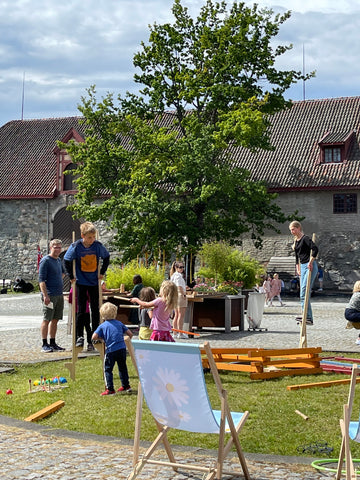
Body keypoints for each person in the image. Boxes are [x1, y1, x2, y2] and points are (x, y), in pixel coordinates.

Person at [64, 222, 110, 347]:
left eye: (93, 237)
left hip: (94, 281)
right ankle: (80, 336)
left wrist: (102, 272)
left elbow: (107, 257)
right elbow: (67, 260)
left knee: (95, 309)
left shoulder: (97, 246)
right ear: (83, 236)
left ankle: (96, 334)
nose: (92, 240)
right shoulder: (76, 246)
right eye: (89, 237)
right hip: (81, 282)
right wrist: (71, 276)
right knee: (81, 309)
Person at [92, 302, 133, 396]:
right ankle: (126, 386)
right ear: (115, 314)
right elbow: (130, 334)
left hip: (111, 350)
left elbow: (94, 337)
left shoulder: (102, 326)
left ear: (102, 315)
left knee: (108, 369)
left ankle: (110, 389)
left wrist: (102, 339)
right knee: (122, 367)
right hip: (122, 349)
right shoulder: (119, 323)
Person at [38, 239, 66, 353]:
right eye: (55, 247)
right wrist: (45, 295)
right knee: (47, 319)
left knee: (55, 319)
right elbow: (41, 280)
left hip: (59, 295)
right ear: (51, 247)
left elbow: (63, 273)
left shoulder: (59, 260)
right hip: (49, 295)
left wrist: (58, 280)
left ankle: (53, 342)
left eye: (59, 247)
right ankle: (44, 343)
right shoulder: (45, 261)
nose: (57, 249)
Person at [289, 220, 319, 325]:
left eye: (293, 229)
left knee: (304, 292)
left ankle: (308, 317)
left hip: (309, 266)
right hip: (302, 266)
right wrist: (297, 268)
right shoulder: (296, 241)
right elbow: (297, 257)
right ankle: (306, 314)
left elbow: (315, 249)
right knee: (302, 293)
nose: (292, 231)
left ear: (298, 228)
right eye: (291, 230)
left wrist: (311, 262)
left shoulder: (305, 239)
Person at [68, 287, 94, 352]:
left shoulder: (73, 289)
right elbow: (89, 298)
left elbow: (70, 300)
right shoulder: (85, 288)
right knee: (87, 327)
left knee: (79, 327)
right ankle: (89, 343)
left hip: (78, 311)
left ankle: (79, 343)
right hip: (85, 311)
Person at [169, 261, 188, 338]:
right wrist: (184, 294)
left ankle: (175, 333)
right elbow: (179, 286)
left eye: (183, 267)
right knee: (181, 315)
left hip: (175, 296)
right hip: (180, 295)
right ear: (176, 268)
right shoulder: (178, 276)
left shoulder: (173, 275)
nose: (182, 269)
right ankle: (180, 333)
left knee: (176, 315)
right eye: (180, 267)